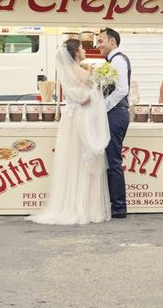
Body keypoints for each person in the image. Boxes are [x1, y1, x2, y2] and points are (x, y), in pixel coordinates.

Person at [27, 39, 111, 224]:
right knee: (83, 159)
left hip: (72, 120)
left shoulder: (69, 71)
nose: (84, 50)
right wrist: (95, 88)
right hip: (82, 119)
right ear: (75, 53)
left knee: (74, 160)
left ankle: (73, 203)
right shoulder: (81, 72)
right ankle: (85, 207)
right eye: (81, 48)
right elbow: (83, 99)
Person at [97, 28, 131, 219]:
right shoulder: (112, 61)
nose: (98, 45)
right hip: (114, 113)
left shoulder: (118, 60)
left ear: (112, 41)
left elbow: (121, 90)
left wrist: (103, 107)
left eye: (101, 41)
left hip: (115, 114)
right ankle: (115, 204)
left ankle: (119, 207)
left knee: (113, 160)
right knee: (111, 159)